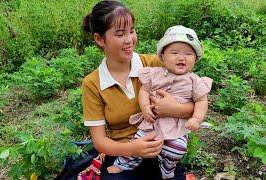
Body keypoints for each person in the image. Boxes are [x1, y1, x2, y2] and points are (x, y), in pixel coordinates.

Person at [81, 1, 195, 179]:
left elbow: (197, 101)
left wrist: (176, 109)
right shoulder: (92, 83)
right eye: (120, 34)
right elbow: (100, 141)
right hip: (123, 156)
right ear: (99, 39)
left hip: (162, 152)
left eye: (132, 30)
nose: (129, 40)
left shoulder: (155, 65)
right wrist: (133, 148)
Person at [107, 25, 212, 179]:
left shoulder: (194, 81)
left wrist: (196, 119)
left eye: (189, 54)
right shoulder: (155, 73)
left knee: (177, 149)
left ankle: (167, 167)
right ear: (162, 57)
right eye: (174, 53)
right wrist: (144, 108)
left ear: (195, 59)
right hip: (153, 122)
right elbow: (144, 91)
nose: (181, 57)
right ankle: (123, 164)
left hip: (177, 125)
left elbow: (202, 101)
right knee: (139, 141)